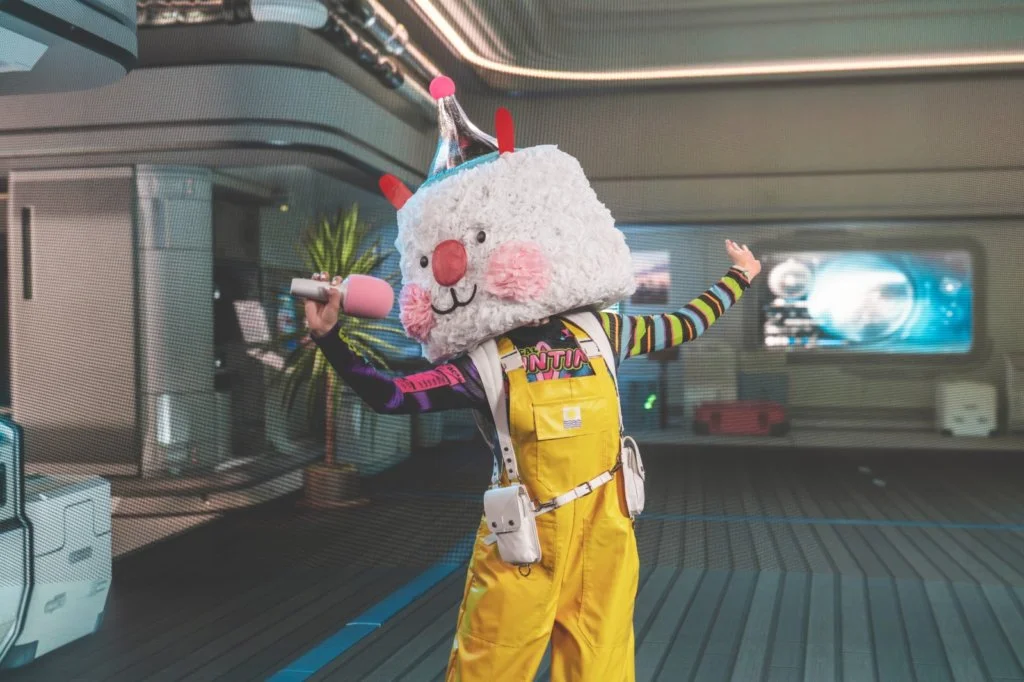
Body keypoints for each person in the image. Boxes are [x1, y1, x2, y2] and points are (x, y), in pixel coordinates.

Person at [304, 75, 761, 682]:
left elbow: (683, 324)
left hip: (606, 525)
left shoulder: (603, 330)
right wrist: (330, 338)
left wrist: (739, 279)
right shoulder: (486, 361)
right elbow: (392, 395)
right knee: (490, 666)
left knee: (602, 663)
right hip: (524, 537)